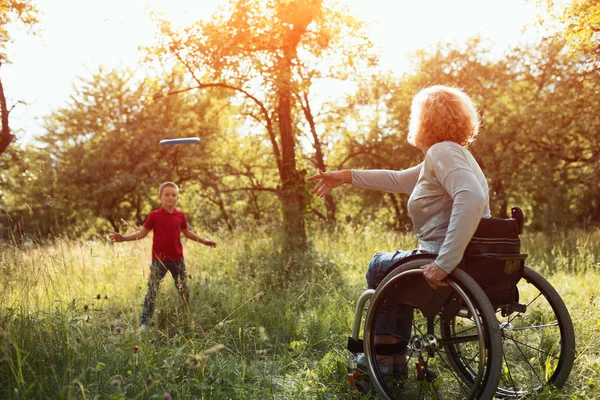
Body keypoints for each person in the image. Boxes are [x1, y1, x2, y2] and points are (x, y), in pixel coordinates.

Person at [307, 85, 490, 375]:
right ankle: (394, 360)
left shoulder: (443, 153)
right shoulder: (450, 155)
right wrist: (344, 177)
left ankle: (383, 361)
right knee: (393, 274)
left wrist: (444, 263)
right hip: (466, 257)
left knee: (379, 267)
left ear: (424, 121)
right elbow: (397, 180)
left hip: (446, 260)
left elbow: (472, 197)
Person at [110, 181, 217, 329]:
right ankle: (144, 324)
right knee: (152, 292)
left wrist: (204, 241)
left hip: (178, 261)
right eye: (167, 194)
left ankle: (186, 321)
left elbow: (186, 233)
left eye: (174, 195)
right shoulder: (154, 215)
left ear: (177, 198)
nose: (170, 197)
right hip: (158, 261)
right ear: (160, 197)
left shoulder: (180, 216)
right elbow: (142, 233)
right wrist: (123, 238)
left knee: (184, 291)